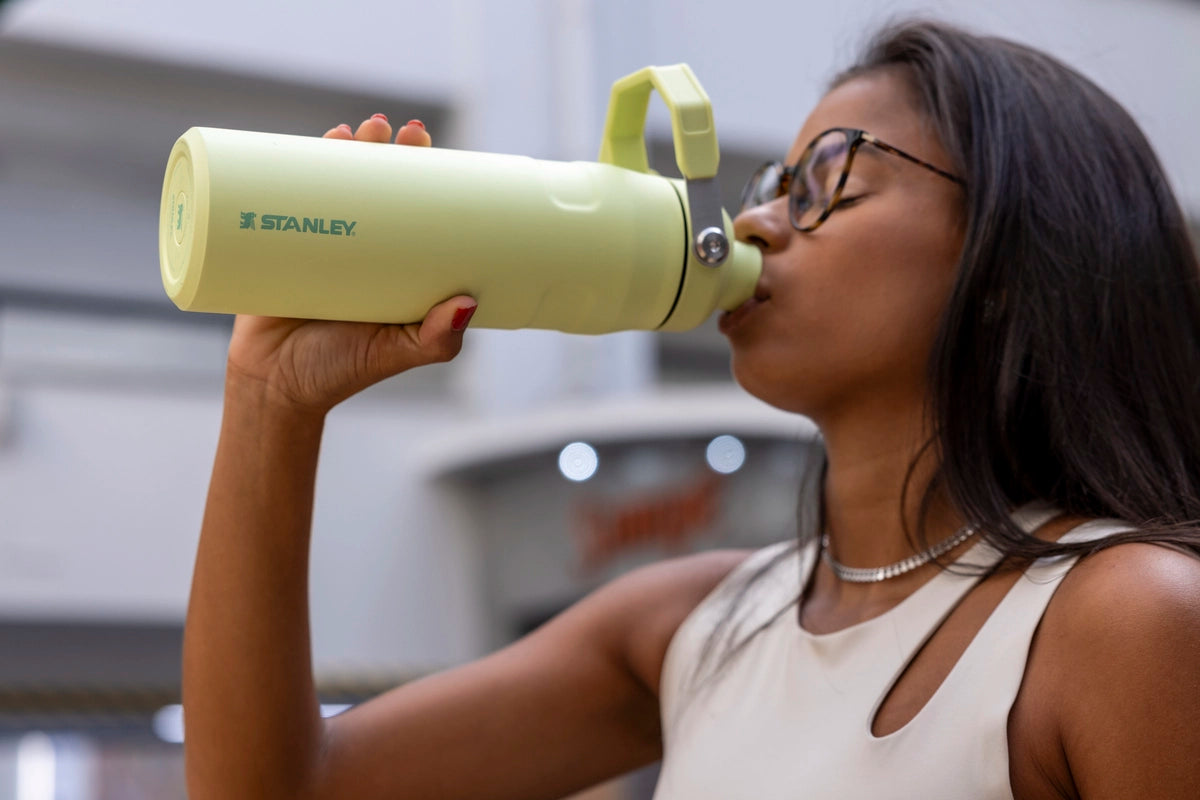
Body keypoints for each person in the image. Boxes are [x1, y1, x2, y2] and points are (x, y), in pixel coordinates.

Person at [181, 19, 1200, 800]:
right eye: (770, 184)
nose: (756, 220)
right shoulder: (695, 626)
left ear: (1011, 262)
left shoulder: (1125, 622)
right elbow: (279, 785)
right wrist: (270, 400)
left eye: (827, 184)